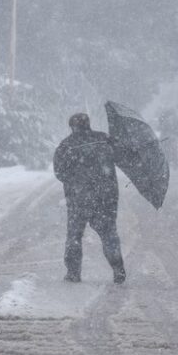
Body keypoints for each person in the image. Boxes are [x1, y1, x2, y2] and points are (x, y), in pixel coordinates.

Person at [53, 113, 126, 284]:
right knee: (109, 233)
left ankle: (73, 273)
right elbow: (122, 156)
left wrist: (75, 181)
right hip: (106, 196)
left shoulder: (66, 146)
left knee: (74, 236)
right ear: (88, 124)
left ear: (72, 127)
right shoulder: (104, 139)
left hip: (79, 199)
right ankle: (118, 267)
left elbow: (59, 172)